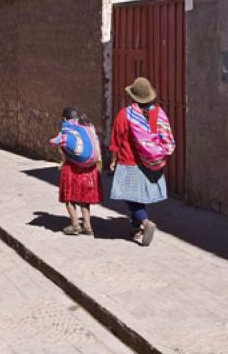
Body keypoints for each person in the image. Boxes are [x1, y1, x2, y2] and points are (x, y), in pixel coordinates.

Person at [109, 77, 175, 246]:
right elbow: (166, 137)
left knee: (129, 197)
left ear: (134, 97)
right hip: (151, 163)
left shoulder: (126, 114)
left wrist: (113, 159)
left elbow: (117, 139)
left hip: (129, 162)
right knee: (139, 196)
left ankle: (145, 223)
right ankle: (135, 228)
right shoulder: (159, 113)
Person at [50, 107, 102, 236]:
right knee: (85, 200)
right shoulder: (87, 128)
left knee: (69, 199)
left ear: (64, 119)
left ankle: (75, 225)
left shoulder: (66, 131)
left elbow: (61, 149)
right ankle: (87, 226)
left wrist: (62, 163)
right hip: (88, 170)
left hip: (72, 170)